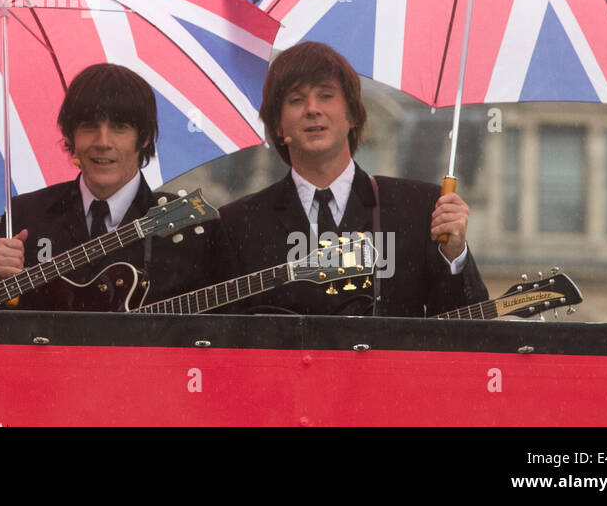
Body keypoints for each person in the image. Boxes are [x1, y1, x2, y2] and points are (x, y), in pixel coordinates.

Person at [205, 41, 487, 317]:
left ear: (352, 114)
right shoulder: (238, 224)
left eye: (326, 96)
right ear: (278, 126)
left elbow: (468, 329)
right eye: (296, 100)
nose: (312, 109)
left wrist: (455, 255)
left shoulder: (421, 207)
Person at [0, 63, 204, 310]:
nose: (102, 142)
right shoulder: (25, 215)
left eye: (119, 127)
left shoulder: (189, 227)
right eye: (89, 126)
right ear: (70, 135)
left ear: (143, 137)